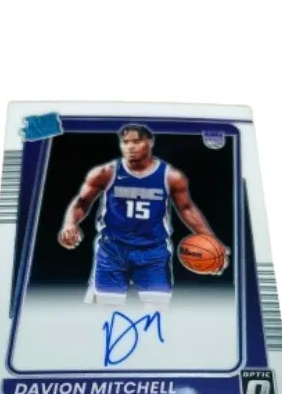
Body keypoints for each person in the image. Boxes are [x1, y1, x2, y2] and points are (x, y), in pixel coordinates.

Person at [58, 124, 229, 305]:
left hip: (153, 251)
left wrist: (212, 241)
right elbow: (81, 202)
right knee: (107, 313)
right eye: (125, 142)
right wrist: (69, 224)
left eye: (136, 141)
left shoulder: (171, 176)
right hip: (113, 249)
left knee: (157, 313)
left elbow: (186, 208)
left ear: (150, 142)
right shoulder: (106, 173)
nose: (130, 147)